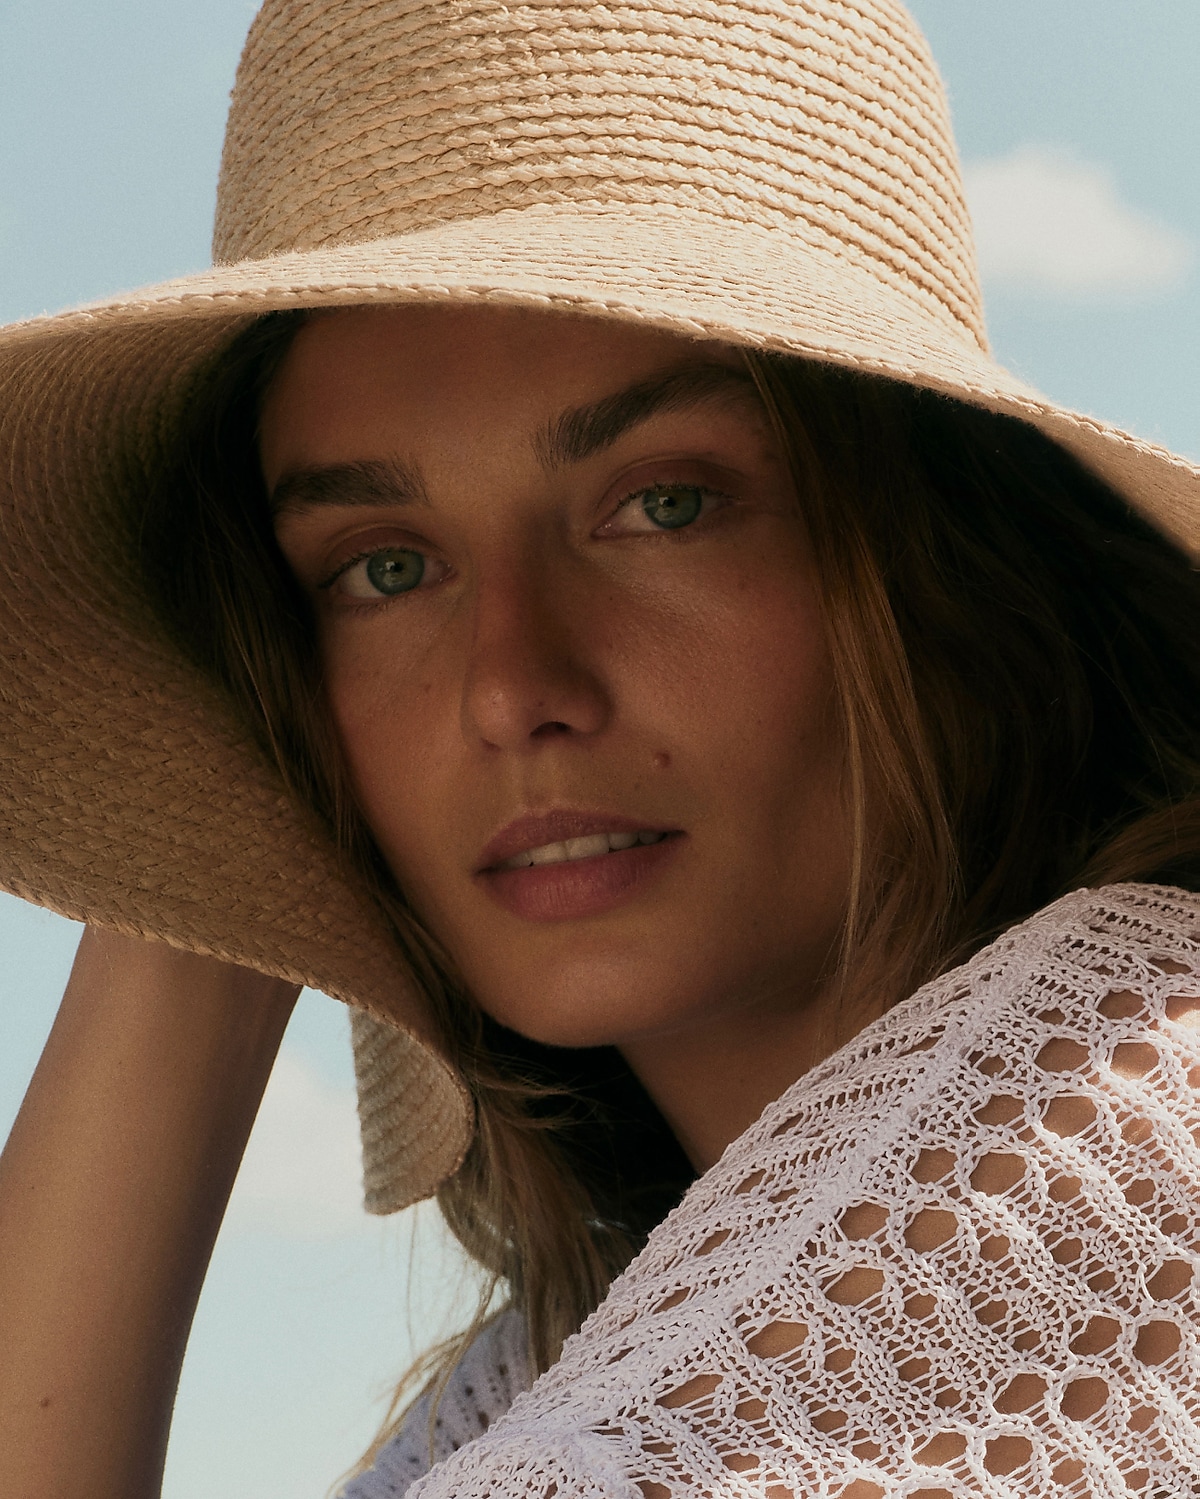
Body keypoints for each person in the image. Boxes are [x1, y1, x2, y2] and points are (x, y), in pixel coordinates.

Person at [0, 2, 1196, 1497]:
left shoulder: (1126, 1100)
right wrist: (202, 860)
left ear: (943, 548)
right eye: (382, 566)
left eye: (665, 504)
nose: (511, 688)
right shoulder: (568, 1360)